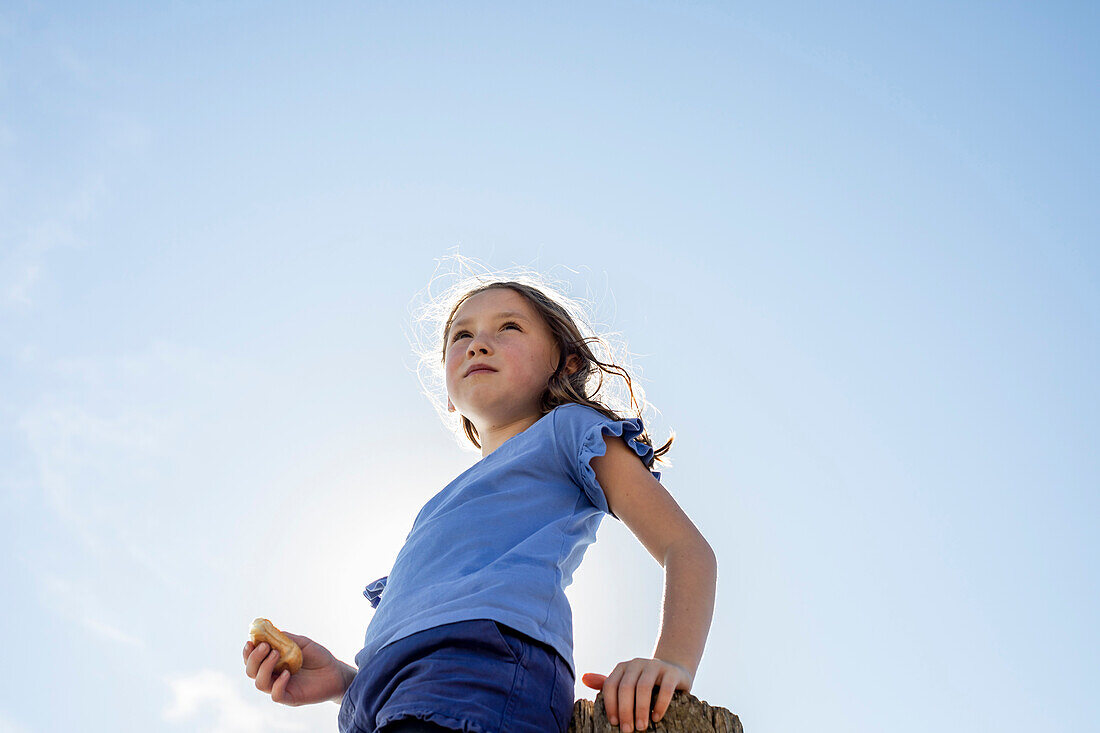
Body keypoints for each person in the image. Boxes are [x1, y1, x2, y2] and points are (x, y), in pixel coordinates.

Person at [242, 273, 717, 733]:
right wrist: (344, 682)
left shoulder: (568, 429)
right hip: (380, 698)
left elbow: (686, 548)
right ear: (449, 395)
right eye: (461, 335)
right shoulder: (434, 508)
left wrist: (672, 660)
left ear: (569, 363)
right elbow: (429, 620)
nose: (478, 343)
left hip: (476, 670)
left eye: (509, 327)